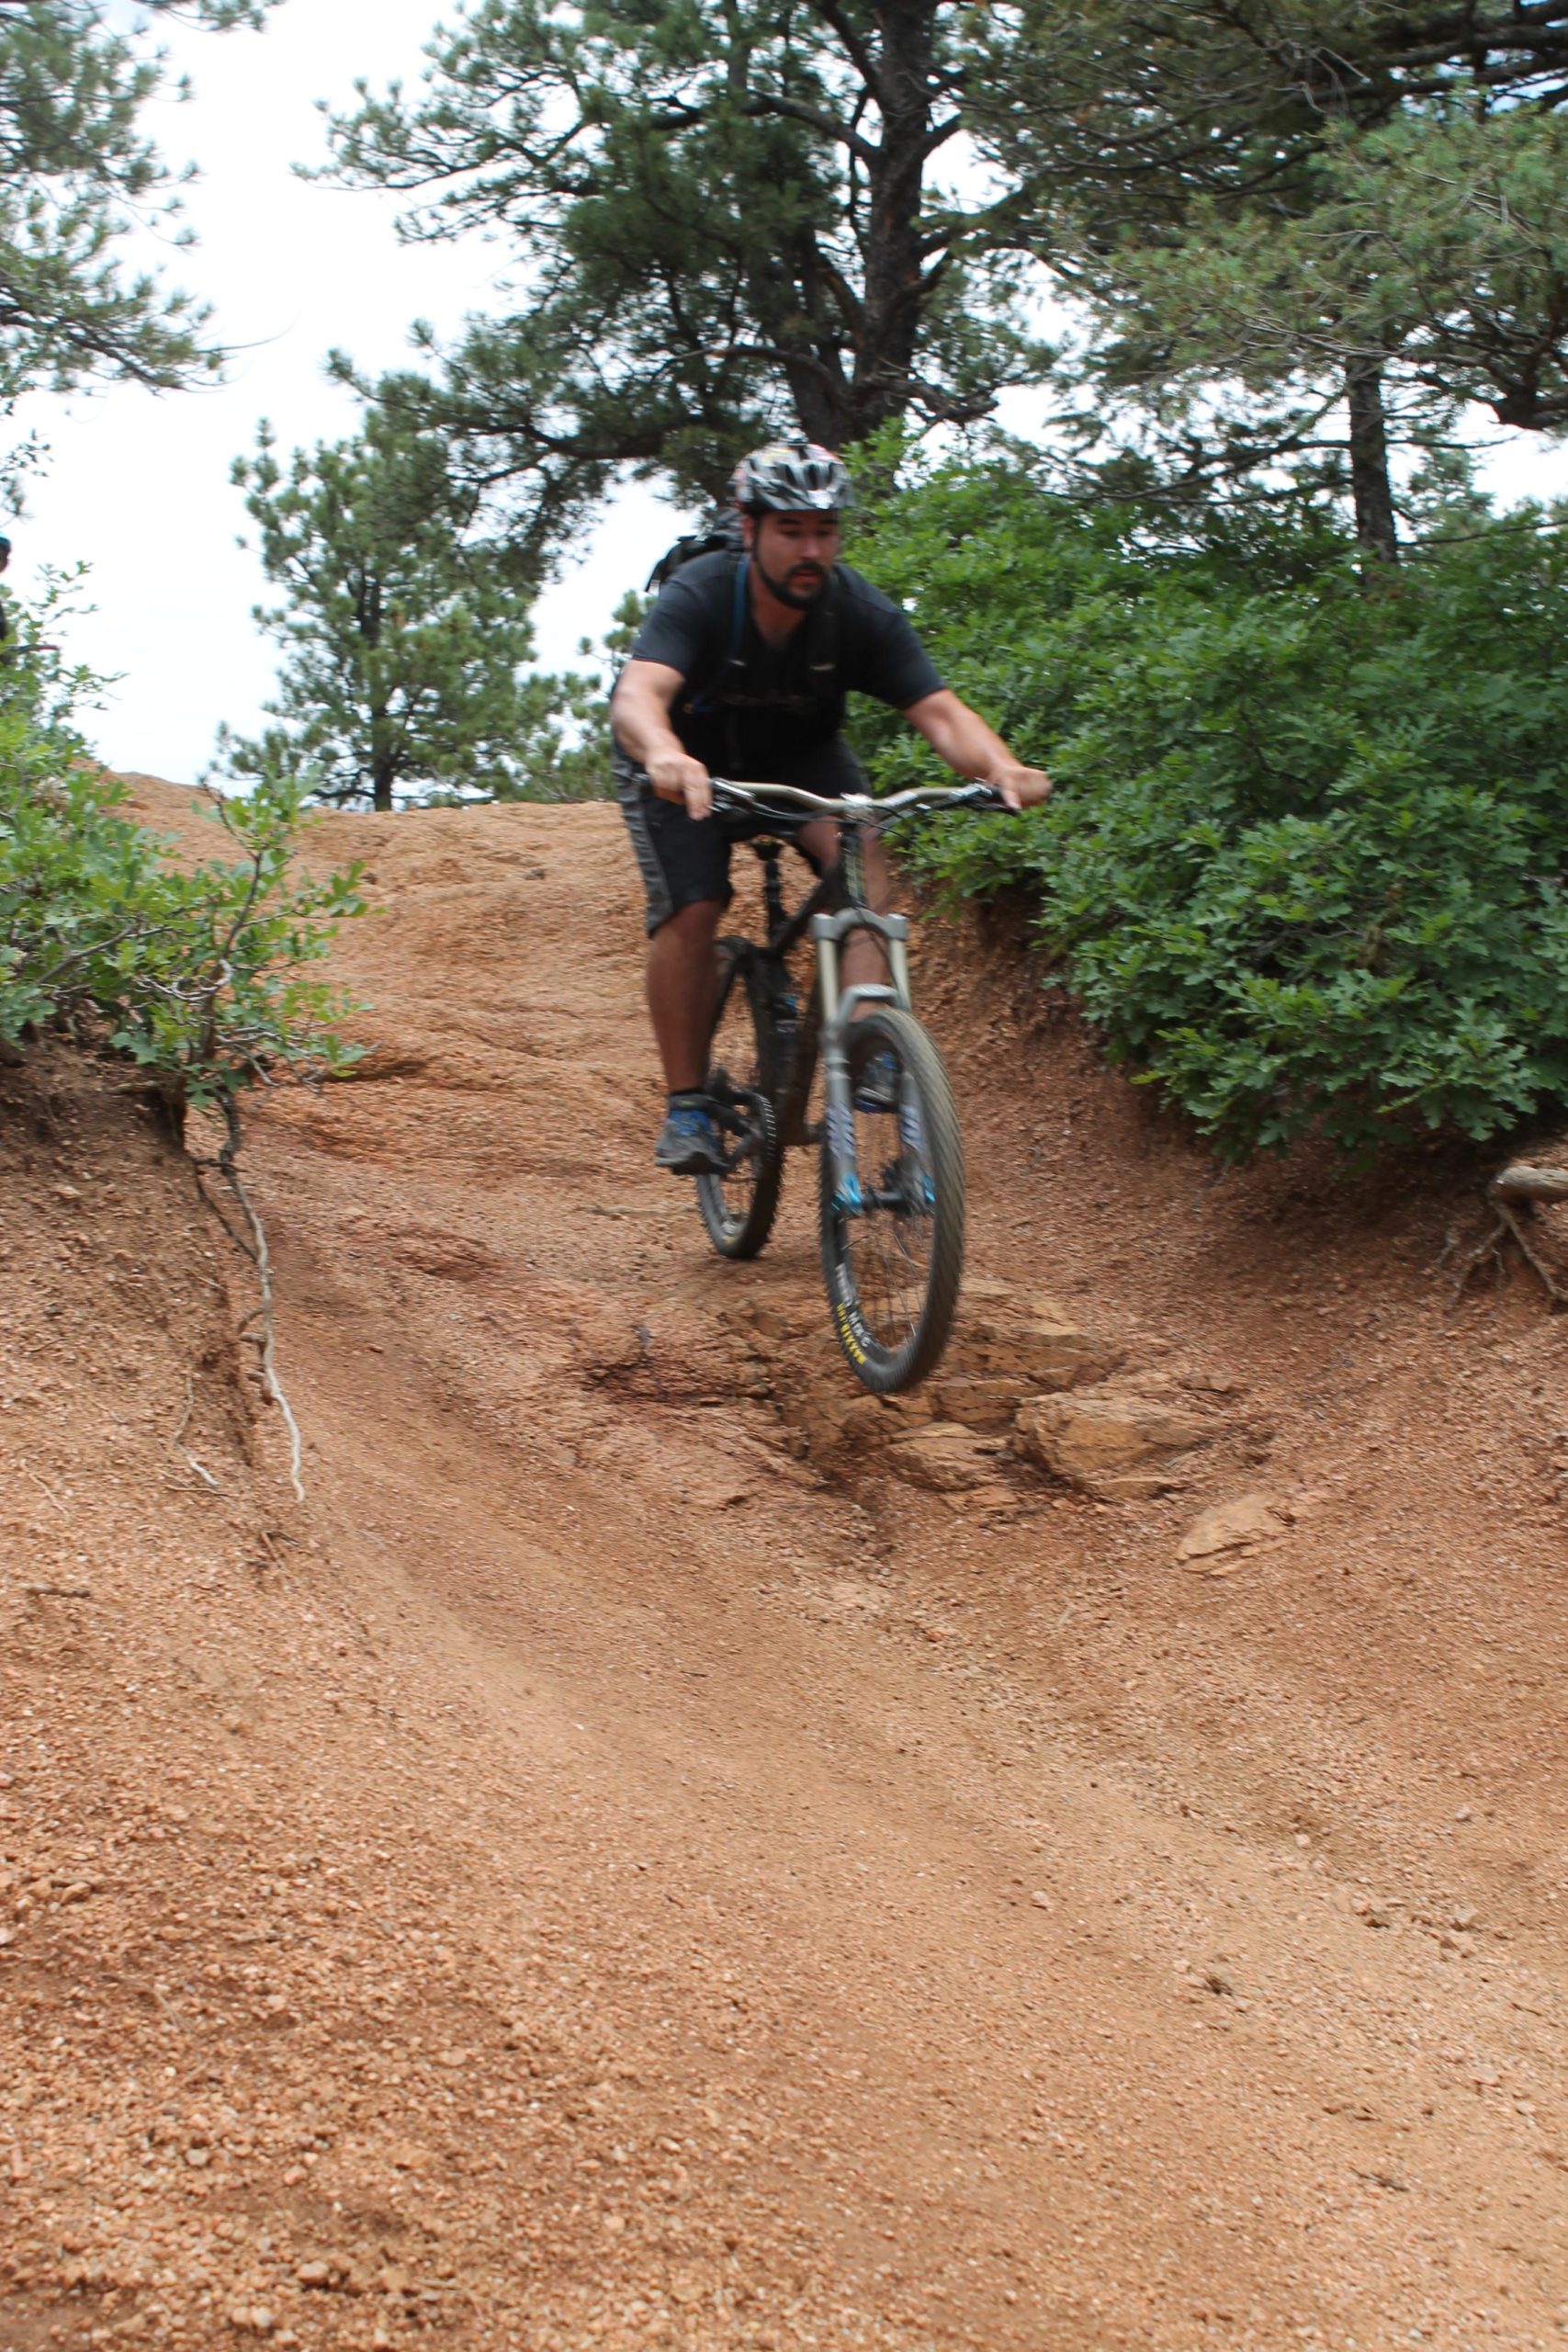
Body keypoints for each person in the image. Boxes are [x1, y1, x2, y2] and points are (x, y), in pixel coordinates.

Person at [610, 440, 1052, 1176]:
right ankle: (686, 1102)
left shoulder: (854, 611)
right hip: (683, 759)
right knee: (694, 906)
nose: (810, 548)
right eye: (790, 530)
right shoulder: (703, 594)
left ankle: (869, 1042)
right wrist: (662, 753)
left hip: (797, 756)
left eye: (824, 529)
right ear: (749, 530)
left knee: (863, 855)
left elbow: (940, 713)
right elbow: (638, 695)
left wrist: (1000, 766)